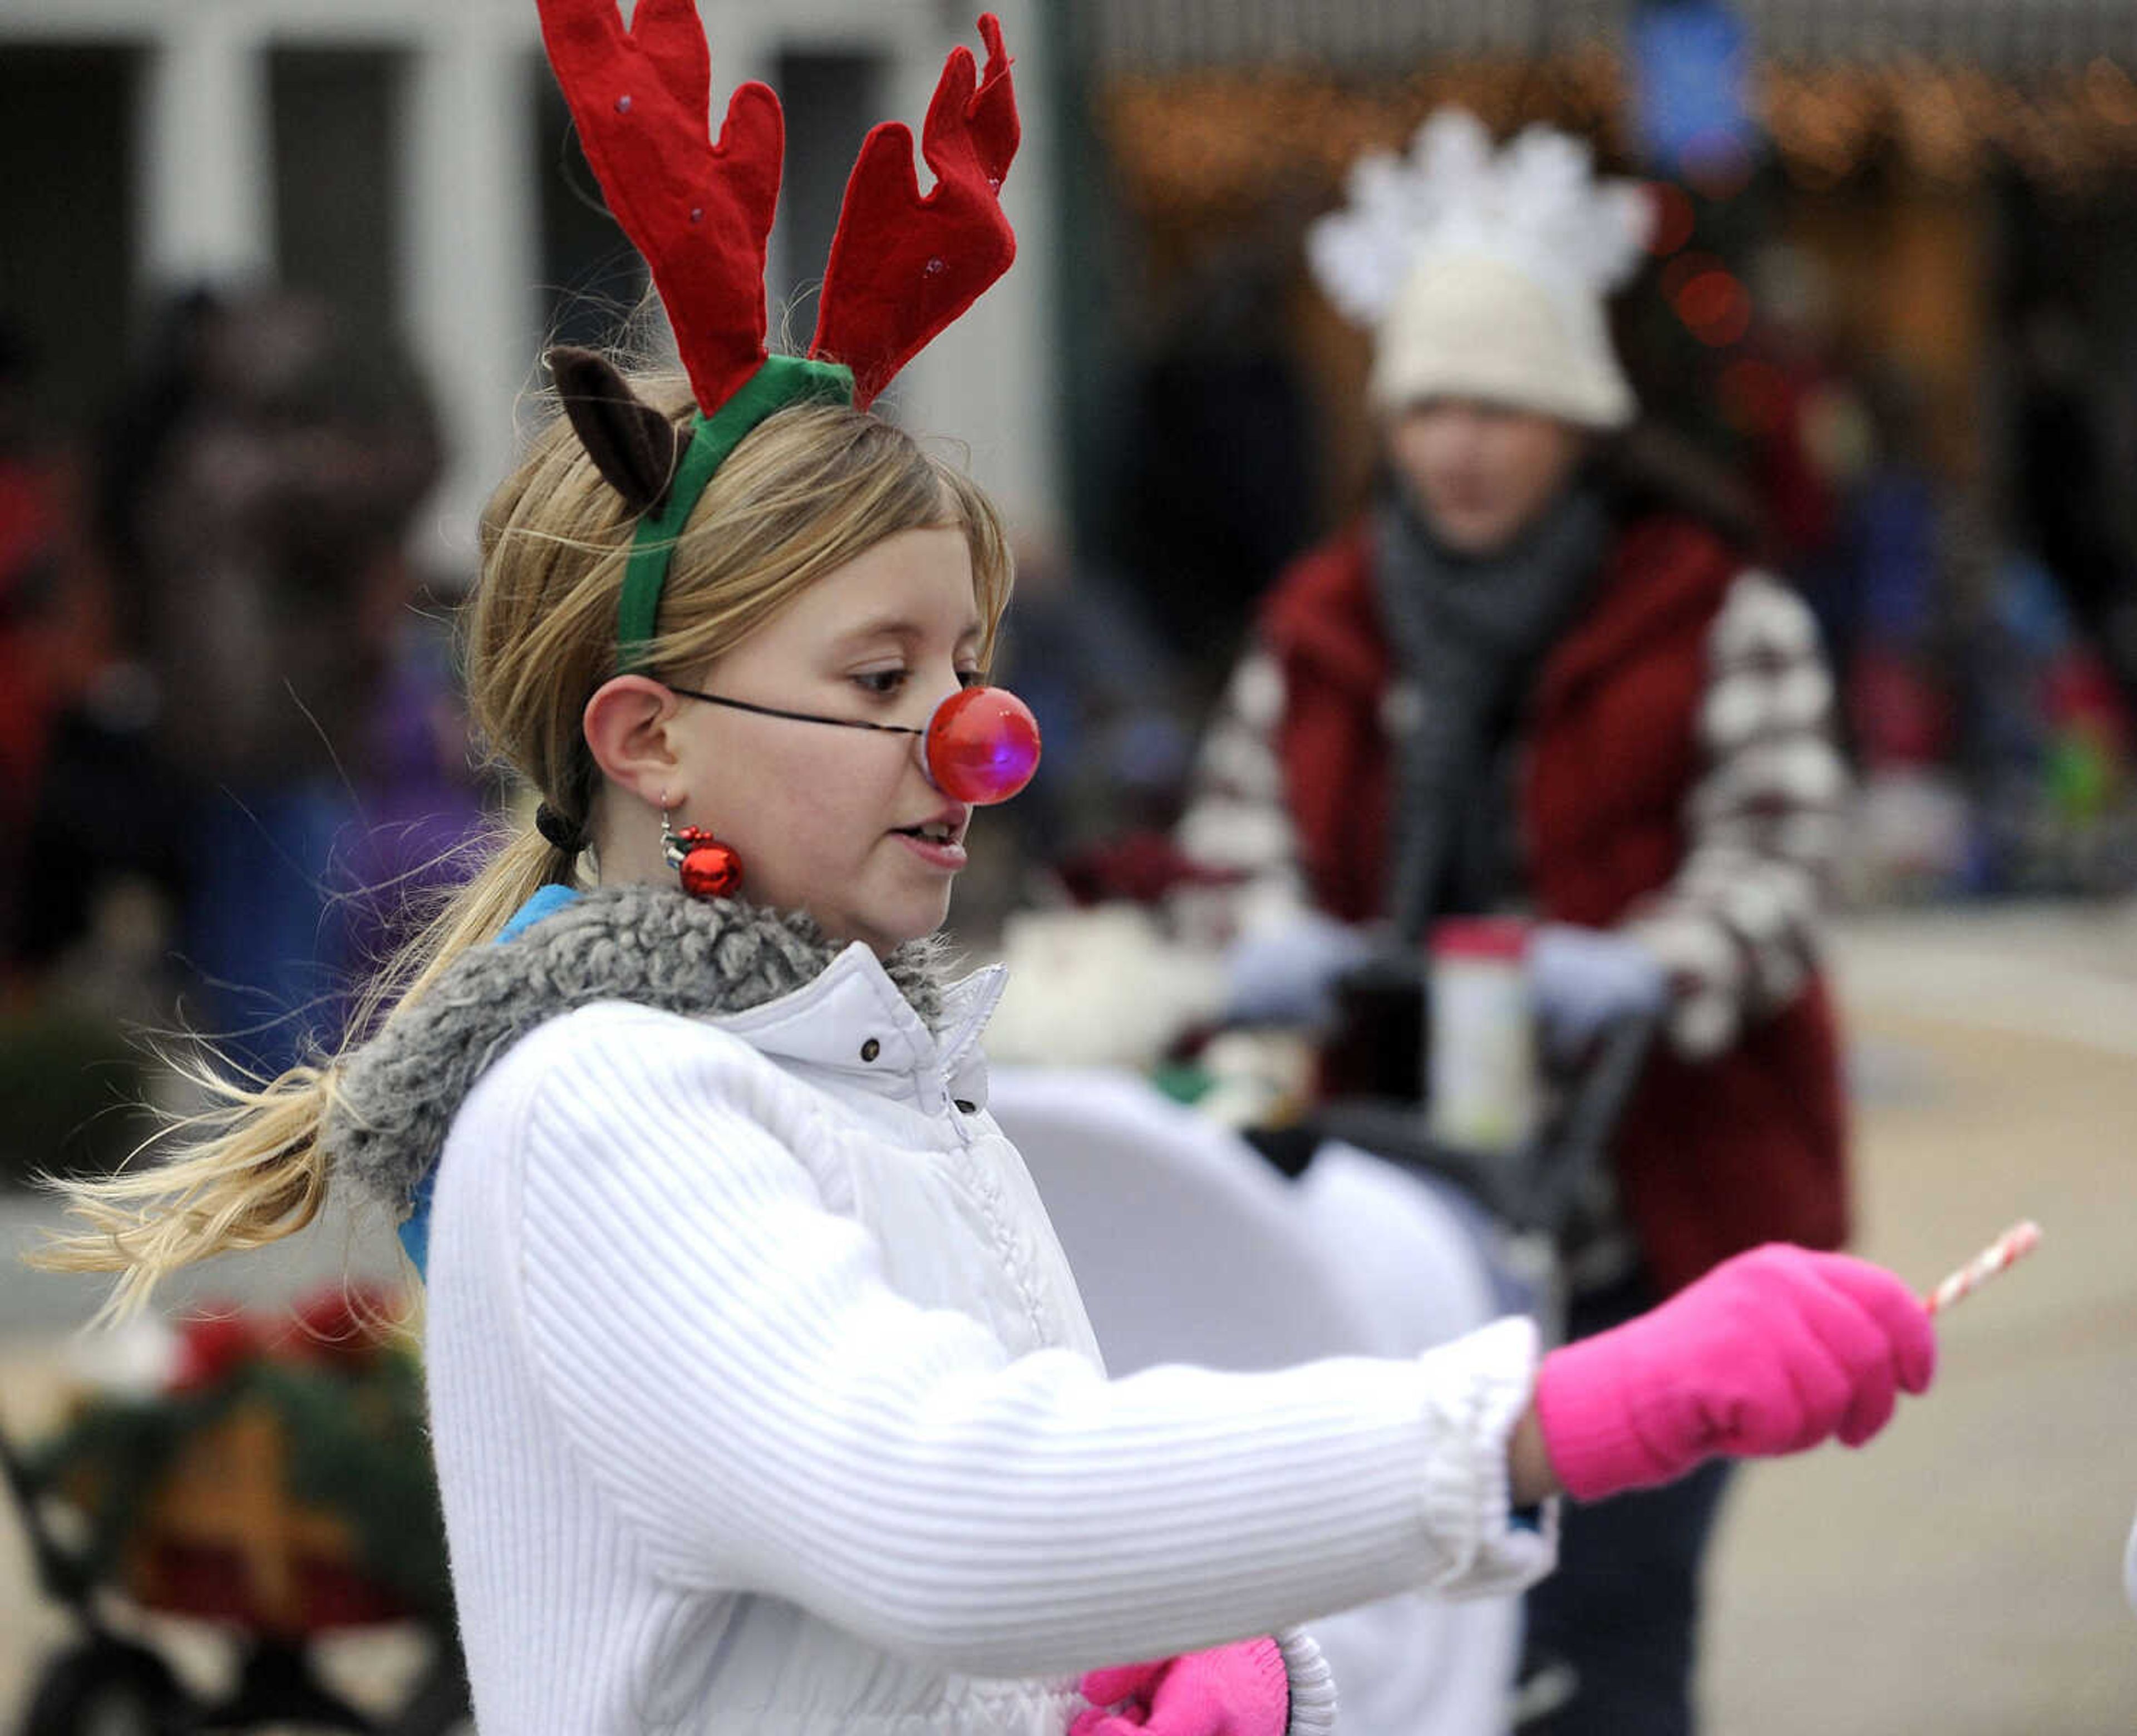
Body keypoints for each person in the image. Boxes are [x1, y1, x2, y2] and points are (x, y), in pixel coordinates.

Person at [37, 21, 1933, 1735]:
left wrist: (1177, 1679)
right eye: (880, 681)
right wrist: (1539, 1413)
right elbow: (949, 1504)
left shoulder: (888, 1076)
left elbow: (932, 1624)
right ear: (648, 740)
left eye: (969, 667)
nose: (977, 743)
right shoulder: (607, 1106)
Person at [1179, 112, 1855, 1733]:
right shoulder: (1321, 619)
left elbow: (1783, 862)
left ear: (1574, 418)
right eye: (1424, 407)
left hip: (1656, 1214)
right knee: (1408, 1635)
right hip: (1381, 1208)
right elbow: (1231, 839)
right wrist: (1269, 943)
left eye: (1494, 406)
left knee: (1613, 1633)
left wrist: (1645, 969)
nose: (1455, 446)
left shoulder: (1714, 607)